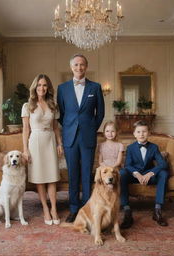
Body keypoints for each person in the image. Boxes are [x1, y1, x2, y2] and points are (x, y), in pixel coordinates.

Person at [57, 54, 105, 223]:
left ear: (86, 67)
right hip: (70, 137)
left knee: (86, 174)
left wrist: (91, 128)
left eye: (82, 65)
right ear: (71, 67)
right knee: (72, 174)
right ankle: (73, 209)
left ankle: (87, 209)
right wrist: (69, 128)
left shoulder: (95, 87)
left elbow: (100, 113)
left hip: (88, 137)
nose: (79, 67)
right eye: (76, 65)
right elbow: (61, 114)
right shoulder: (62, 88)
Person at [22, 74, 63, 226]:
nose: (42, 88)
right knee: (39, 178)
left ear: (48, 88)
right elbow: (25, 130)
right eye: (39, 85)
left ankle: (54, 208)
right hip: (35, 141)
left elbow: (56, 128)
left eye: (45, 85)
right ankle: (45, 208)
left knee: (52, 176)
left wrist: (59, 144)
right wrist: (25, 150)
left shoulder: (53, 105)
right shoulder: (28, 106)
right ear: (35, 87)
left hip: (50, 140)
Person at [120, 120, 169, 228]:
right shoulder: (130, 148)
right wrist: (137, 174)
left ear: (149, 133)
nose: (141, 134)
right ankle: (127, 210)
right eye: (138, 132)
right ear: (134, 134)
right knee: (122, 173)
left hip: (148, 176)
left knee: (164, 173)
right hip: (135, 176)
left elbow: (163, 164)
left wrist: (150, 173)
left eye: (144, 131)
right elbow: (127, 165)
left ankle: (157, 210)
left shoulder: (154, 147)